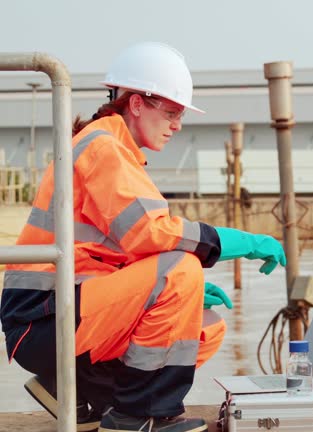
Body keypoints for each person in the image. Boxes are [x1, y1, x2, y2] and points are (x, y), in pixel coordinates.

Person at [0, 42, 286, 432]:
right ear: (136, 104)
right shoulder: (102, 148)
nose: (177, 124)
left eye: (179, 115)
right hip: (41, 320)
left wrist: (180, 299)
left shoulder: (111, 147)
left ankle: (90, 397)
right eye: (170, 112)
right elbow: (151, 233)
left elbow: (114, 251)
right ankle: (141, 415)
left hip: (61, 309)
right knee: (181, 270)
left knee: (204, 326)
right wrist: (243, 243)